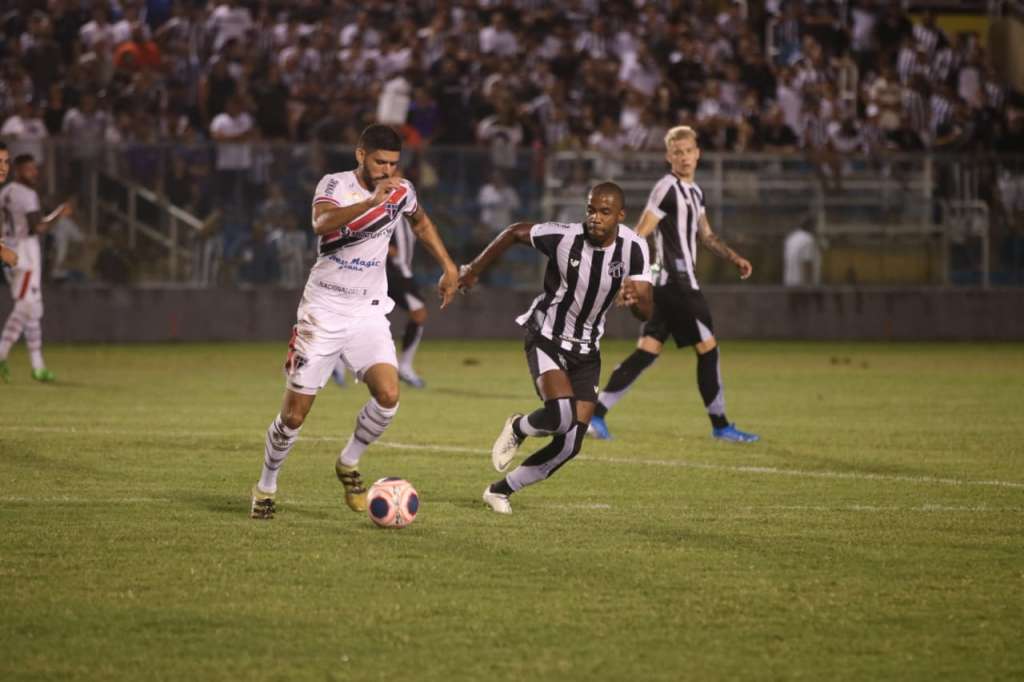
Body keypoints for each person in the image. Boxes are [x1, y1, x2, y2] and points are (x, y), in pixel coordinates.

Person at [250, 124, 459, 520]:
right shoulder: (335, 185)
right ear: (360, 155)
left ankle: (348, 463)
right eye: (380, 162)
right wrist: (370, 203)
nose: (387, 171)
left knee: (389, 396)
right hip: (323, 311)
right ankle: (266, 485)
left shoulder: (403, 189)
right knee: (294, 416)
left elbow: (422, 222)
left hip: (368, 310)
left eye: (394, 164)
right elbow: (320, 223)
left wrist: (449, 266)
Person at [458, 182, 654, 514]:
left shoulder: (635, 249)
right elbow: (514, 231)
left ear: (620, 216)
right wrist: (474, 270)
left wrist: (637, 299)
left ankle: (499, 491)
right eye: (591, 209)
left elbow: (646, 312)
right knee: (561, 415)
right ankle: (519, 426)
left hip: (587, 350)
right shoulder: (564, 236)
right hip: (546, 334)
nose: (595, 218)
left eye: (604, 212)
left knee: (570, 443)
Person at [589, 126, 759, 443]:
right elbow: (640, 233)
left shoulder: (695, 192)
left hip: (670, 285)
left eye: (688, 151)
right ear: (669, 157)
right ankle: (721, 425)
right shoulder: (666, 188)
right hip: (677, 284)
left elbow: (706, 235)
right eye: (677, 152)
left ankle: (596, 415)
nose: (683, 157)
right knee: (708, 350)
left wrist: (734, 257)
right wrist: (629, 275)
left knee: (647, 351)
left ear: (698, 154)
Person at [0, 152, 70, 383]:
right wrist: (60, 213)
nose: (34, 172)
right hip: (25, 253)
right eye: (29, 168)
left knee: (32, 309)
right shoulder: (26, 194)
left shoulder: (5, 192)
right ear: (18, 170)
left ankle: (38, 366)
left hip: (9, 250)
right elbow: (37, 227)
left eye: (34, 168)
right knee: (28, 308)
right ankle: (2, 355)